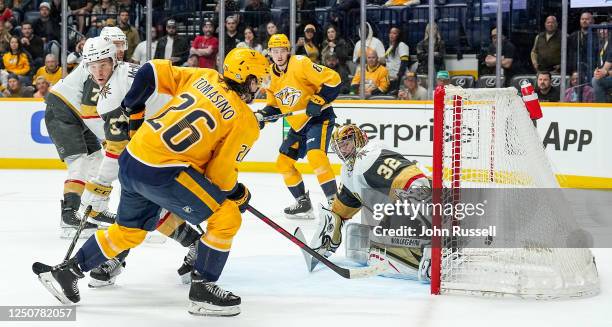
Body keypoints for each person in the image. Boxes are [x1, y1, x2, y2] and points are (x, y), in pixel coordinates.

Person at [33, 48, 270, 317]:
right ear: (246, 78)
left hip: (133, 158)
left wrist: (133, 112)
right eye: (257, 80)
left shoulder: (205, 76)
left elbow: (150, 71)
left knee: (129, 231)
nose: (259, 86)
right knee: (227, 216)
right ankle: (203, 289)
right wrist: (239, 193)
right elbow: (220, 176)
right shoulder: (245, 120)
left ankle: (68, 272)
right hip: (163, 172)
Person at [78, 36, 205, 287]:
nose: (98, 71)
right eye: (93, 66)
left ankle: (116, 256)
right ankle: (197, 245)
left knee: (136, 207)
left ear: (114, 60)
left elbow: (117, 150)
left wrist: (99, 186)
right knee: (148, 205)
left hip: (165, 150)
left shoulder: (112, 95)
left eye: (103, 64)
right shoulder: (129, 71)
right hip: (177, 140)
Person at [307, 123, 432, 280]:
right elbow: (339, 212)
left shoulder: (369, 156)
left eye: (346, 143)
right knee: (358, 243)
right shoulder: (350, 171)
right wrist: (323, 239)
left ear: (358, 139)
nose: (343, 150)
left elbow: (418, 185)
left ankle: (431, 263)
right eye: (339, 147)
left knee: (376, 256)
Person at [257, 34, 341, 219]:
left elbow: (334, 80)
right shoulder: (268, 76)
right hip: (298, 125)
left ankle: (334, 203)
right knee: (283, 164)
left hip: (319, 118)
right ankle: (303, 203)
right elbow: (274, 107)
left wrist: (319, 99)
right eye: (275, 51)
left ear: (289, 51)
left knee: (315, 156)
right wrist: (262, 116)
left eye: (282, 51)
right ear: (269, 53)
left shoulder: (301, 63)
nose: (279, 55)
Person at [567, 12, 594, 77]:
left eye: (587, 19)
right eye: (582, 19)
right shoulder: (573, 36)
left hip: (591, 71)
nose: (584, 21)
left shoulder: (596, 36)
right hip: (574, 71)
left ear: (592, 21)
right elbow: (568, 54)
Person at [385, 26, 409, 92]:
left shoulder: (401, 45)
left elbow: (404, 62)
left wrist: (399, 76)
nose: (391, 35)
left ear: (399, 35)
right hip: (390, 77)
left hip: (398, 78)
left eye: (394, 33)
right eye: (390, 33)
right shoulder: (390, 47)